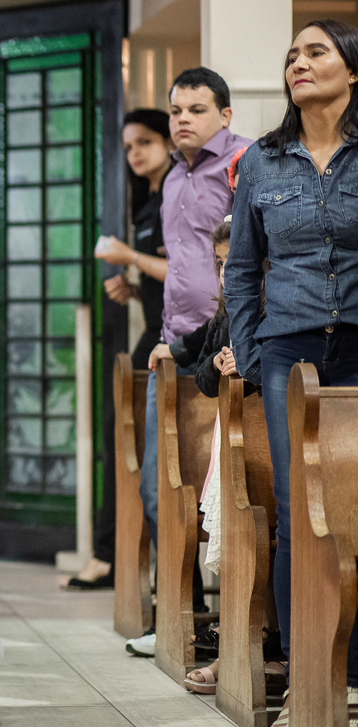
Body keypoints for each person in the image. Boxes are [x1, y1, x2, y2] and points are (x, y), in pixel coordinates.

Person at [226, 18, 358, 727]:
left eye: (317, 52)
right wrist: (251, 355)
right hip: (288, 350)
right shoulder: (262, 162)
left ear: (353, 71)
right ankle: (303, 674)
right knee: (298, 514)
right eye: (292, 56)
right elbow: (242, 271)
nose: (299, 64)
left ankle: (356, 674)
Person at [121, 68, 253, 658]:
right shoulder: (172, 176)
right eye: (176, 110)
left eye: (197, 110)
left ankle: (238, 628)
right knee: (162, 490)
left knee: (237, 496)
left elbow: (247, 263)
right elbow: (180, 262)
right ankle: (181, 622)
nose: (182, 120)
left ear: (225, 115)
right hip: (174, 344)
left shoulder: (244, 164)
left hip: (229, 351)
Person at [74, 108, 173, 590]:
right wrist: (134, 289)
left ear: (169, 142)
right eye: (129, 145)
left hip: (170, 337)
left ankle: (117, 555)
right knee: (121, 436)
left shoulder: (178, 192)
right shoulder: (150, 197)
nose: (135, 153)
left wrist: (128, 257)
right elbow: (164, 277)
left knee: (138, 442)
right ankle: (111, 551)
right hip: (153, 327)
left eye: (145, 143)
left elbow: (187, 273)